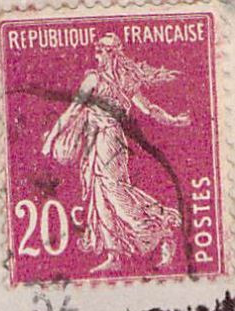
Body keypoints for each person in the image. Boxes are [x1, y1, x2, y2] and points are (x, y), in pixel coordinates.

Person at [40, 33, 189, 273]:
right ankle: (114, 253)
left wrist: (173, 120)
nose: (96, 55)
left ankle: (160, 229)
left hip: (108, 137)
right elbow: (74, 110)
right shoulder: (94, 79)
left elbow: (148, 108)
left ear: (110, 52)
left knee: (114, 189)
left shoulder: (114, 81)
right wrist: (53, 136)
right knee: (99, 193)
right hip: (94, 139)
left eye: (99, 51)